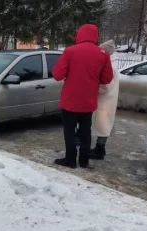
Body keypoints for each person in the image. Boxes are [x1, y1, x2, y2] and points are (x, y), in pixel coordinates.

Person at [52, 24, 114, 169]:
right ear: (95, 36)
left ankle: (70, 160)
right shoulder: (102, 54)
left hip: (70, 101)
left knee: (69, 131)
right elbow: (106, 79)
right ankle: (84, 160)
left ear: (79, 34)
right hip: (88, 101)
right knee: (86, 132)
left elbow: (57, 75)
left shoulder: (70, 51)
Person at [89, 40, 119, 160]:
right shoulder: (111, 62)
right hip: (107, 98)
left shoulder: (110, 65)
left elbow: (106, 85)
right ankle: (100, 148)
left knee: (103, 125)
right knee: (103, 124)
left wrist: (93, 88)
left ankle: (99, 150)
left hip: (106, 99)